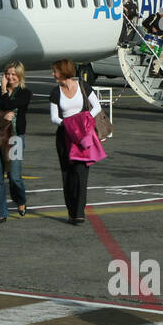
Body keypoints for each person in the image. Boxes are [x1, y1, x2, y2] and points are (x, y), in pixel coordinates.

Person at [49, 59, 103, 225]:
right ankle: (71, 211)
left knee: (81, 174)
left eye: (55, 71)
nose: (53, 74)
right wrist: (68, 124)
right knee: (68, 175)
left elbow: (97, 107)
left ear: (63, 71)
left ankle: (79, 212)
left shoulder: (83, 86)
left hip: (83, 136)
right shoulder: (55, 92)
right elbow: (54, 117)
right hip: (65, 136)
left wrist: (84, 121)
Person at [0, 62, 32, 223]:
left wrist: (4, 90)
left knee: (14, 176)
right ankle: (0, 213)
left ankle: (20, 200)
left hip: (15, 138)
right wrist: (2, 116)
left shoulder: (25, 93)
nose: (10, 77)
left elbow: (9, 104)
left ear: (20, 75)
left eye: (13, 74)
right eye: (7, 74)